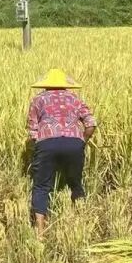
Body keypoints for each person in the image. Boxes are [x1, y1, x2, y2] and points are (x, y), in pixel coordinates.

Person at [27, 69, 97, 234]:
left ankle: (40, 230)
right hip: (74, 143)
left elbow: (33, 131)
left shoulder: (38, 100)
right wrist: (82, 141)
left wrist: (36, 150)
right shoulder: (74, 98)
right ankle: (80, 221)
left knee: (42, 185)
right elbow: (91, 123)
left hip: (47, 143)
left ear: (46, 85)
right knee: (75, 183)